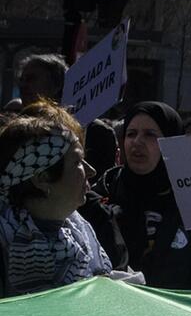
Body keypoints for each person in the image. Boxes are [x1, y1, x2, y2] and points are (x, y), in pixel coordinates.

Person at [1, 102, 115, 296]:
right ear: (42, 178)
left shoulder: (81, 232)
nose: (91, 171)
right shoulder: (4, 243)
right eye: (78, 162)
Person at [98, 101, 191, 289]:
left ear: (171, 141)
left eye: (150, 135)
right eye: (131, 134)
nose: (137, 142)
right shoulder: (102, 193)